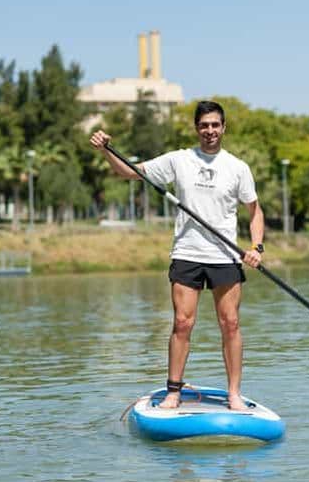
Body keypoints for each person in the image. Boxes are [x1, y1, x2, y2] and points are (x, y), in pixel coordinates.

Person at [90, 100, 264, 411]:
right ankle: (174, 392)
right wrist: (106, 151)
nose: (209, 130)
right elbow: (131, 173)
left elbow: (255, 211)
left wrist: (256, 247)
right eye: (204, 125)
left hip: (225, 255)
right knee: (182, 323)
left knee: (231, 323)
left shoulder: (238, 167)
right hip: (187, 254)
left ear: (224, 128)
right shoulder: (179, 160)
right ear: (196, 128)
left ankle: (234, 394)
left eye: (215, 125)